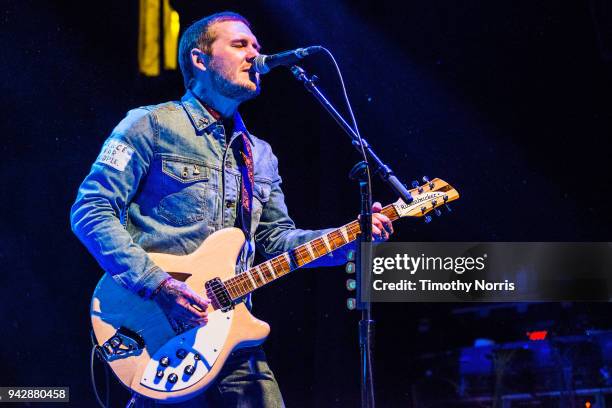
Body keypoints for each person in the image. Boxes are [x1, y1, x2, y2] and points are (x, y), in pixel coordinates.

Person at [71, 11, 393, 407]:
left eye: (256, 46)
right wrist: (160, 285)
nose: (255, 54)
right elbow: (91, 210)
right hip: (160, 330)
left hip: (234, 339)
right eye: (240, 45)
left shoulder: (260, 154)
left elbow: (276, 241)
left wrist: (346, 239)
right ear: (199, 59)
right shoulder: (148, 125)